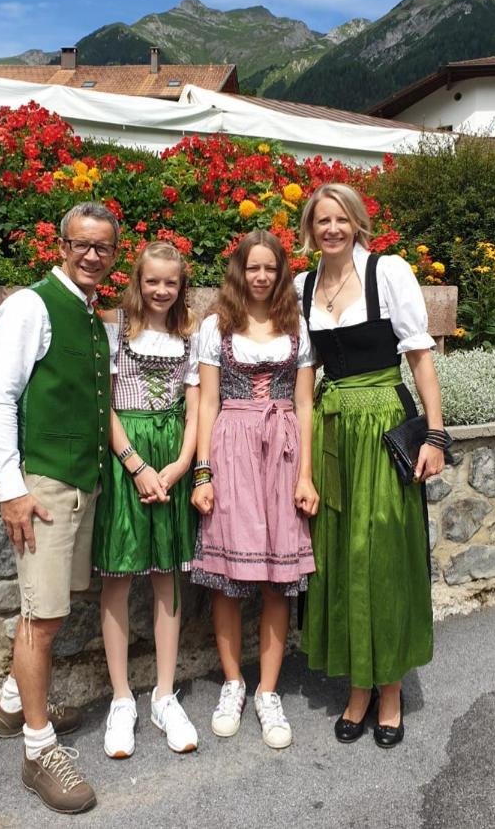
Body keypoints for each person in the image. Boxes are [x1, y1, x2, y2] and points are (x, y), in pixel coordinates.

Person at [0, 201, 120, 813]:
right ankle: (39, 751)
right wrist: (10, 486)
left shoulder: (89, 314)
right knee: (40, 617)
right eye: (82, 244)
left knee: (56, 609)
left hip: (80, 481)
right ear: (61, 245)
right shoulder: (32, 305)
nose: (92, 255)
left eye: (103, 247)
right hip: (44, 486)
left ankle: (15, 704)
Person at [295, 183, 444, 749]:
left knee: (381, 554)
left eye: (340, 218)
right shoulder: (302, 285)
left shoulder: (388, 273)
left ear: (356, 222)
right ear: (311, 229)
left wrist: (433, 434)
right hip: (333, 432)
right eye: (321, 220)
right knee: (337, 557)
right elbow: (304, 387)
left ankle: (389, 690)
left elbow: (421, 359)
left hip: (383, 427)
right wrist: (304, 468)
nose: (331, 228)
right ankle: (358, 684)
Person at [191, 230, 319, 750]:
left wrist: (305, 474)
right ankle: (233, 683)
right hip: (231, 448)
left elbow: (306, 404)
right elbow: (205, 403)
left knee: (276, 579)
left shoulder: (297, 326)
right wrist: (202, 472)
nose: (261, 276)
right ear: (239, 271)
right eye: (252, 267)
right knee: (227, 577)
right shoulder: (215, 326)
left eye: (270, 268)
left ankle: (268, 690)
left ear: (281, 272)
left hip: (283, 450)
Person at [92, 241, 199, 758]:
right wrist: (135, 465)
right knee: (116, 577)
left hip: (172, 459)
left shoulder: (189, 335)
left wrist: (179, 467)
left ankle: (162, 693)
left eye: (170, 282)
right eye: (153, 280)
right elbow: (106, 405)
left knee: (166, 578)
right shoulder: (116, 331)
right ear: (138, 280)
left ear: (181, 285)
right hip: (126, 458)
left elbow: (196, 409)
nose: (161, 290)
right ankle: (120, 699)